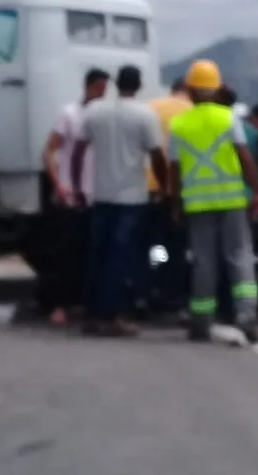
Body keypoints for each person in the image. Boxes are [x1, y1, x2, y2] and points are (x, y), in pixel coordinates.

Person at [169, 59, 258, 344]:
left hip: (198, 204)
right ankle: (247, 316)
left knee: (204, 262)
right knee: (239, 257)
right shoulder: (228, 118)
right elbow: (245, 158)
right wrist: (257, 191)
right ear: (217, 88)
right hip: (232, 201)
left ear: (191, 90)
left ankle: (201, 322)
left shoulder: (179, 124)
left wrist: (175, 203)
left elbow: (174, 170)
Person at [71, 65, 168, 337]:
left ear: (116, 84)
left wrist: (79, 186)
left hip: (101, 195)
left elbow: (78, 151)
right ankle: (111, 316)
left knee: (97, 255)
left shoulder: (96, 112)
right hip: (131, 198)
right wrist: (164, 186)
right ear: (138, 85)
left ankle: (91, 314)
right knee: (121, 258)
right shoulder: (144, 115)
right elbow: (157, 156)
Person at [40, 67, 109, 325]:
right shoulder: (69, 114)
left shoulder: (103, 117)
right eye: (98, 89)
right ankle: (58, 305)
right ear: (88, 87)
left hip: (95, 194)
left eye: (104, 91)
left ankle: (81, 303)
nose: (101, 95)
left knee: (88, 252)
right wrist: (57, 182)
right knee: (64, 253)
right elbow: (49, 151)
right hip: (70, 192)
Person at [140, 78, 195, 314]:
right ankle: (172, 295)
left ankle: (145, 292)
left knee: (147, 245)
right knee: (176, 246)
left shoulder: (150, 107)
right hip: (178, 190)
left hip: (145, 187)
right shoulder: (193, 112)